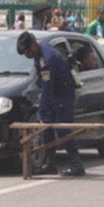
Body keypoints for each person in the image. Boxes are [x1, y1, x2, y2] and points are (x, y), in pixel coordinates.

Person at [17, 31, 85, 177]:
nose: (26, 55)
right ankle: (51, 163)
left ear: (34, 45)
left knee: (63, 128)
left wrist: (42, 111)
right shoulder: (39, 55)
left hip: (63, 95)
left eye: (27, 51)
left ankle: (77, 164)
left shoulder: (47, 59)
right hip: (54, 94)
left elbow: (47, 88)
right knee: (47, 128)